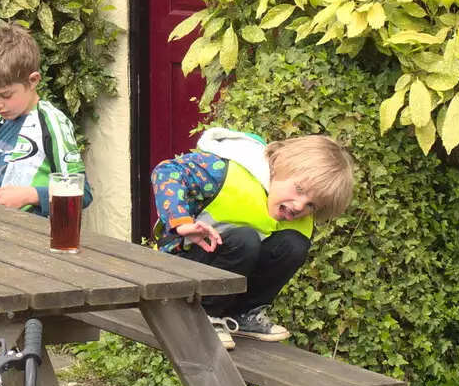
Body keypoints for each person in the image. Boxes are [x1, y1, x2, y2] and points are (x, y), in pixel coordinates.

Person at [152, 129, 354, 349]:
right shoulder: (224, 170)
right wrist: (182, 222)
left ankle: (241, 314)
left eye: (311, 205)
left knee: (294, 245)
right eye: (299, 189)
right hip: (181, 263)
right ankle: (203, 316)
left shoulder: (297, 218)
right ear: (281, 166)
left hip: (225, 272)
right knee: (245, 239)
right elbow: (167, 171)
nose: (299, 206)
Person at [0, 22, 91, 217]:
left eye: (6, 95)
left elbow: (82, 193)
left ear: (33, 80)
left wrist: (30, 195)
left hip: (39, 239)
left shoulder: (52, 123)